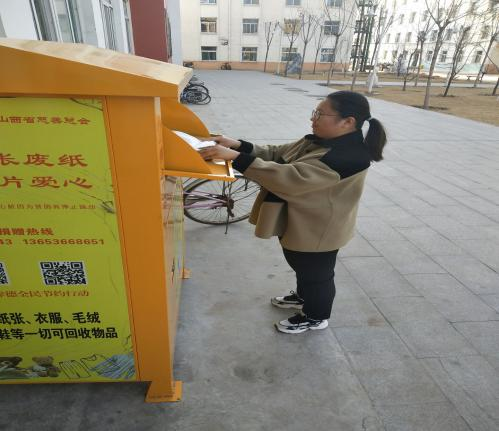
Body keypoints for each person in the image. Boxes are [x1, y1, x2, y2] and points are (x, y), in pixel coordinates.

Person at [198, 91, 387, 334]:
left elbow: (290, 178)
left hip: (320, 228)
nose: (313, 119)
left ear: (348, 121)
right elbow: (279, 153)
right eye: (314, 112)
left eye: (320, 114)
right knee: (301, 265)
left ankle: (316, 316)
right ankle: (303, 296)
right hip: (303, 220)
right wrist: (238, 145)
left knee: (317, 275)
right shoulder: (321, 141)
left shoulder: (346, 157)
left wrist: (237, 158)